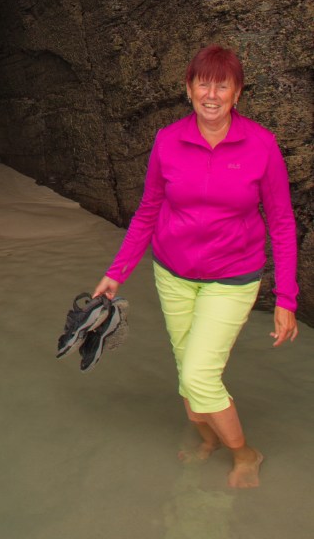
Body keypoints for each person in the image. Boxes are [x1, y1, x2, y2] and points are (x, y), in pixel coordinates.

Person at [93, 44, 298, 489]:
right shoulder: (168, 140)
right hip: (173, 275)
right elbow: (148, 210)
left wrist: (286, 298)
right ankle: (208, 438)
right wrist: (117, 272)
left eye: (222, 86)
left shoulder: (260, 145)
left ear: (237, 93)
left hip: (233, 277)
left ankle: (244, 453)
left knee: (199, 375)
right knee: (187, 369)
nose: (211, 95)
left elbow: (282, 223)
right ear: (188, 89)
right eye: (203, 84)